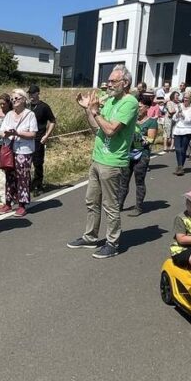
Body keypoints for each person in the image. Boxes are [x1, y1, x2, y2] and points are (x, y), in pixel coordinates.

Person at [67, 64, 138, 259]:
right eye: (108, 81)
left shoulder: (129, 102)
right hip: (97, 158)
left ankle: (112, 243)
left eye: (113, 81)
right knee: (91, 201)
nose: (108, 85)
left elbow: (110, 130)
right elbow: (95, 129)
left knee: (110, 204)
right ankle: (90, 237)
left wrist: (96, 112)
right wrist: (88, 110)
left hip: (113, 162)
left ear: (125, 83)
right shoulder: (110, 101)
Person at [0, 88, 38, 218]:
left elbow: (32, 134)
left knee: (22, 177)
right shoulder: (9, 115)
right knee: (9, 175)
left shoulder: (30, 114)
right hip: (10, 148)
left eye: (17, 98)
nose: (14, 101)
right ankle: (8, 202)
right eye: (13, 99)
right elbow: (1, 130)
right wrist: (6, 133)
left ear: (24, 100)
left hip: (24, 151)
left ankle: (22, 204)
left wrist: (17, 133)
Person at [118, 96, 157, 217]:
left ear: (147, 108)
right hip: (127, 154)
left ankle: (138, 207)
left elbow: (151, 139)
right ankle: (119, 205)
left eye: (139, 107)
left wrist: (140, 139)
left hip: (142, 155)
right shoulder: (131, 119)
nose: (137, 109)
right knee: (123, 181)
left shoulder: (151, 122)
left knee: (139, 181)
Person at [26, 85, 56, 194]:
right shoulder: (27, 106)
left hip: (39, 138)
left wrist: (46, 135)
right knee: (26, 162)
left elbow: (52, 121)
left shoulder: (44, 107)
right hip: (26, 138)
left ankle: (38, 185)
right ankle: (28, 184)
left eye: (33, 93)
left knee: (38, 163)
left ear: (38, 93)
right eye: (29, 93)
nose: (31, 96)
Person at [172, 93, 191, 176]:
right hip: (178, 129)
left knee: (183, 149)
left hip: (187, 129)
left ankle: (180, 167)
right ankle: (180, 166)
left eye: (187, 98)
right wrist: (177, 114)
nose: (185, 99)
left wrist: (182, 115)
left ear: (190, 99)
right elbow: (174, 118)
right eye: (184, 98)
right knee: (178, 149)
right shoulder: (179, 105)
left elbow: (188, 120)